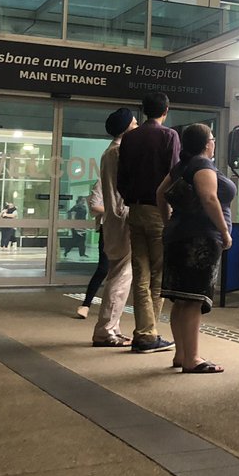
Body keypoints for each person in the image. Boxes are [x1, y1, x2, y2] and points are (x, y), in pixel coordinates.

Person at [157, 123, 234, 374]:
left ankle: (181, 355)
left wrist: (168, 221)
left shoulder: (181, 166)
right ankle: (192, 358)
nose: (213, 142)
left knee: (181, 300)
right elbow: (209, 197)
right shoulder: (202, 165)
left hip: (178, 235)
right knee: (192, 301)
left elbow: (160, 193)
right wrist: (224, 231)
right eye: (212, 138)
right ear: (206, 143)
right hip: (200, 238)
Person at [116, 92, 179, 354]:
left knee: (140, 274)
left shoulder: (129, 138)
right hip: (159, 210)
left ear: (143, 111)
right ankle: (147, 334)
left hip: (135, 209)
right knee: (159, 274)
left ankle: (145, 332)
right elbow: (174, 174)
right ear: (165, 110)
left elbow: (121, 178)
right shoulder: (169, 136)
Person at [91, 108, 137, 347]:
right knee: (120, 277)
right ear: (127, 125)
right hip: (122, 218)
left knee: (118, 275)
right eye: (135, 121)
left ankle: (112, 327)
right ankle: (105, 330)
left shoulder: (110, 151)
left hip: (114, 219)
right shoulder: (119, 152)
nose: (138, 125)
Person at [75, 178, 109, 319]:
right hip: (108, 227)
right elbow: (95, 207)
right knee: (104, 268)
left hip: (127, 227)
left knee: (123, 271)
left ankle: (111, 307)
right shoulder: (103, 182)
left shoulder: (131, 178)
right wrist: (117, 211)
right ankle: (86, 304)